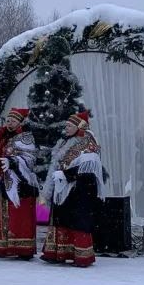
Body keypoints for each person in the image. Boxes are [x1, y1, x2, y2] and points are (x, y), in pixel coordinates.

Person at [40, 110, 104, 267]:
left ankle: (81, 255)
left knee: (77, 221)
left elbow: (88, 168)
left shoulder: (88, 141)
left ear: (79, 126)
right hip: (63, 187)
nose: (66, 128)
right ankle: (58, 252)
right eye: (66, 126)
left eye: (70, 126)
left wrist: (66, 174)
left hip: (80, 188)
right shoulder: (64, 142)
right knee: (61, 219)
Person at [0, 108, 39, 259]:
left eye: (13, 121)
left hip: (20, 184)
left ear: (20, 122)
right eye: (8, 120)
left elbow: (30, 160)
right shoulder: (2, 137)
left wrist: (13, 162)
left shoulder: (26, 138)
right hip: (1, 181)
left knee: (18, 216)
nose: (9, 123)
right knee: (1, 214)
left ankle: (22, 249)